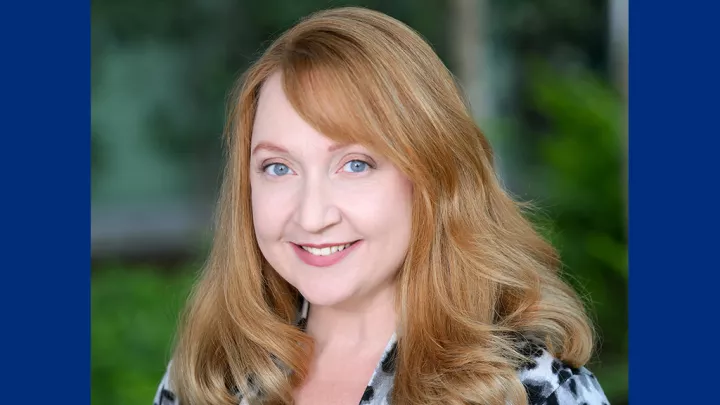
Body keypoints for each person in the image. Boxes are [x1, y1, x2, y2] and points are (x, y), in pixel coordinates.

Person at [153, 6, 610, 405]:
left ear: (431, 176)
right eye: (278, 168)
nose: (312, 216)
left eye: (355, 164)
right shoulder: (212, 375)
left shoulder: (528, 391)